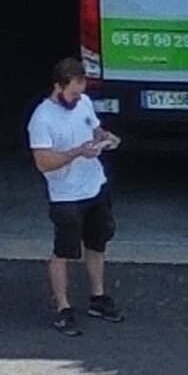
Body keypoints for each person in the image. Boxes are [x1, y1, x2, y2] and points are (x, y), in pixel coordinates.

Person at [29, 55, 120, 337]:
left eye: (80, 93)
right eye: (72, 93)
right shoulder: (42, 118)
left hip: (94, 185)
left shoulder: (84, 103)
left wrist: (107, 137)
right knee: (64, 252)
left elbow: (94, 128)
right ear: (58, 86)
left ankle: (98, 297)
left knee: (98, 243)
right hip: (65, 195)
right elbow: (43, 163)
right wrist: (76, 152)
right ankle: (63, 307)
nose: (76, 99)